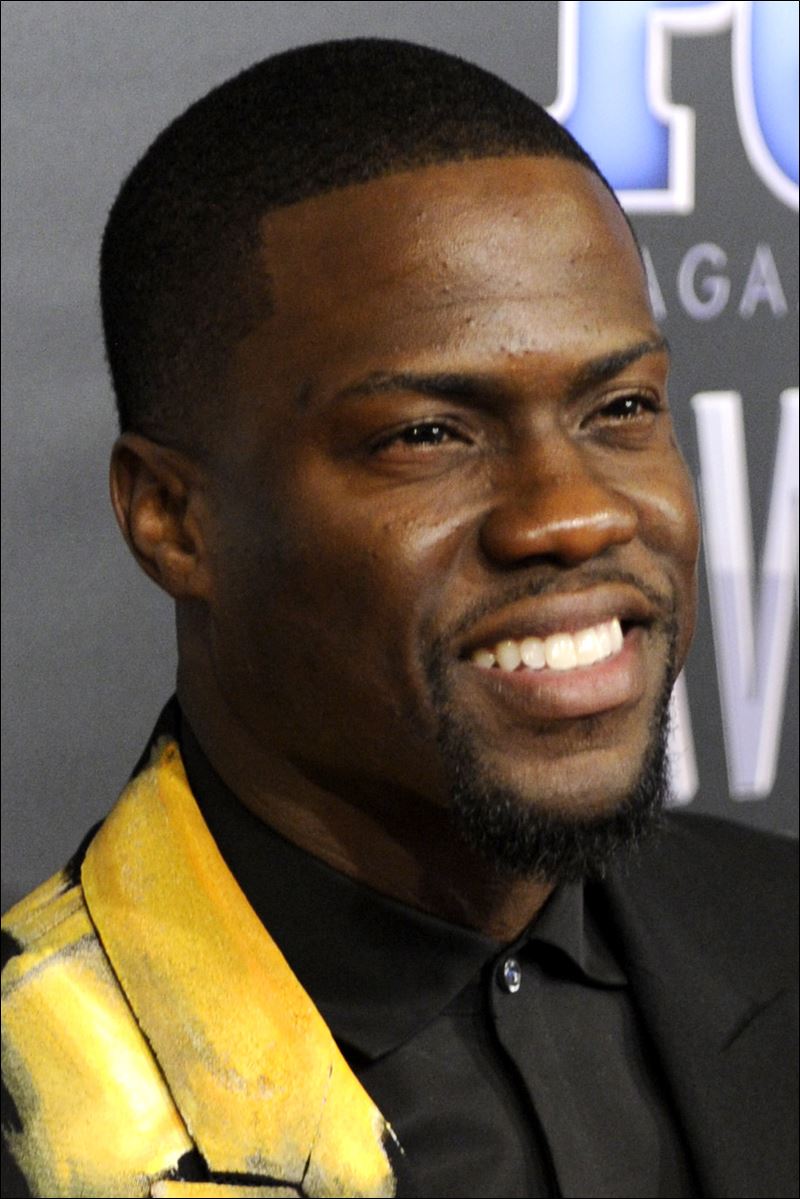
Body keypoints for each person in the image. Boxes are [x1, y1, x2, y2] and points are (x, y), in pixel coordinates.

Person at [1, 38, 796, 1199]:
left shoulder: (776, 922)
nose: (573, 513)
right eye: (426, 433)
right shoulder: (40, 1101)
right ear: (173, 518)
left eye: (620, 406)